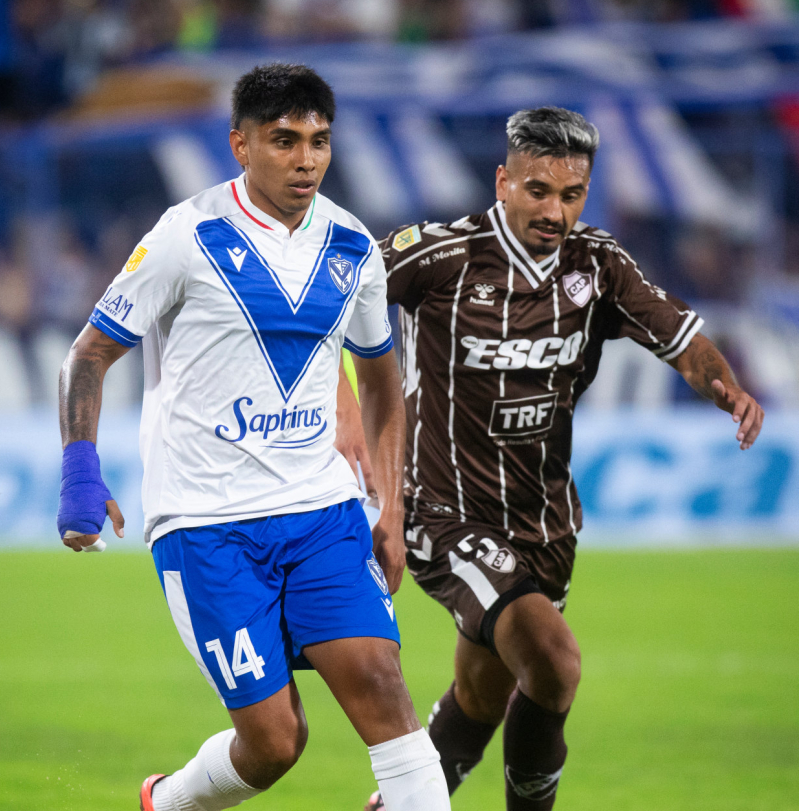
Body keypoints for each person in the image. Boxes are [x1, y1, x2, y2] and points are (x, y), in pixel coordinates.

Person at [55, 63, 451, 811]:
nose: (306, 160)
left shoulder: (353, 246)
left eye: (319, 141)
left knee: (383, 688)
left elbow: (382, 383)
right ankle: (169, 802)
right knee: (274, 743)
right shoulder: (187, 235)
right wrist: (81, 472)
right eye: (284, 140)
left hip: (322, 512)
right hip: (206, 523)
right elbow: (88, 355)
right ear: (241, 144)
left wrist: (393, 512)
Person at [349, 106, 764, 810]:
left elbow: (679, 336)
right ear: (503, 181)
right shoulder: (440, 257)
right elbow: (328, 301)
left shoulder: (598, 265)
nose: (554, 211)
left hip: (546, 524)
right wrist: (340, 408)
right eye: (538, 190)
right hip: (444, 513)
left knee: (483, 695)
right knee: (553, 660)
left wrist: (722, 384)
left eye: (571, 195)